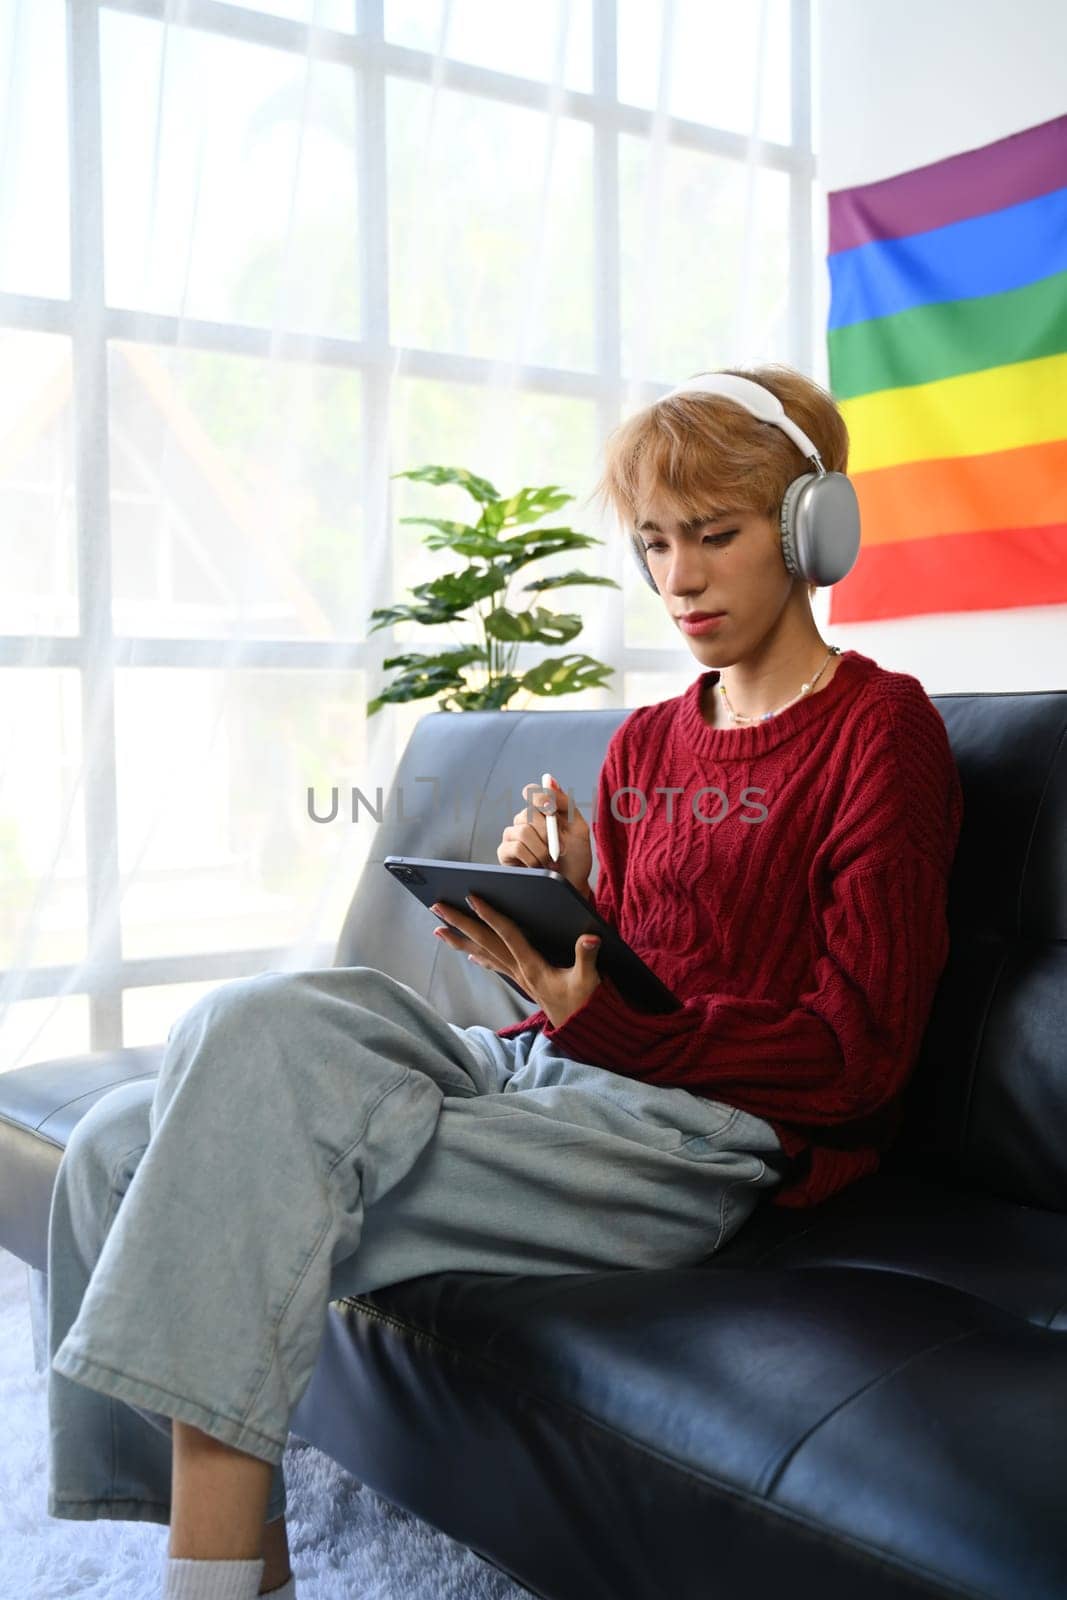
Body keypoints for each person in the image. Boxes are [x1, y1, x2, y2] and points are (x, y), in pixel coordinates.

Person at [45, 364, 963, 1599]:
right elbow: (641, 966)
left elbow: (858, 1051)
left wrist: (624, 1025)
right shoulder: (645, 740)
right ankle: (230, 1550)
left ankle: (211, 1574)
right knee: (150, 1102)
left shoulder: (878, 731)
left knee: (217, 1135)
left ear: (810, 529)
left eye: (714, 536)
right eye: (651, 543)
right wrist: (564, 910)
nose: (677, 578)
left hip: (695, 1138)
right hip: (553, 1064)